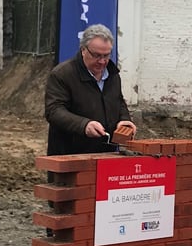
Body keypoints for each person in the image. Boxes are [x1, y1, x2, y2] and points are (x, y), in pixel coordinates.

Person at [45, 23, 136, 156]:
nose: (102, 61)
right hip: (69, 155)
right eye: (97, 55)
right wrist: (84, 125)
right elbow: (54, 111)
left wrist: (124, 119)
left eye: (106, 55)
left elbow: (118, 101)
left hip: (107, 154)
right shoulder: (62, 74)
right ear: (83, 50)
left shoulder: (112, 74)